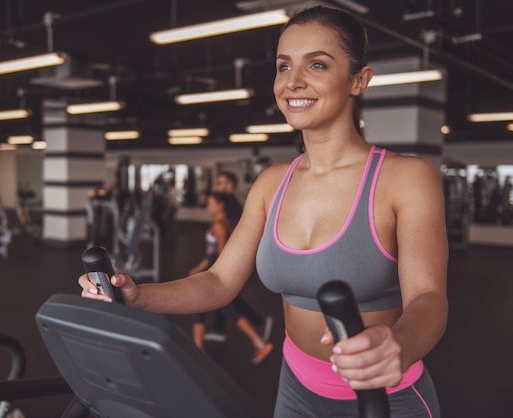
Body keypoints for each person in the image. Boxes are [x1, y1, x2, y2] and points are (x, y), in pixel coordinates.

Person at [80, 6, 448, 417]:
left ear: (358, 80)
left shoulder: (406, 178)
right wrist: (137, 296)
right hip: (296, 391)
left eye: (318, 64)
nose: (293, 82)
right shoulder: (272, 183)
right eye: (283, 65)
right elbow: (219, 281)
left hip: (385, 398)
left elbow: (428, 298)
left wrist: (398, 345)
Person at [188, 191, 273, 364]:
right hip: (210, 272)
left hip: (216, 275)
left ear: (220, 205)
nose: (208, 207)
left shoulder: (220, 225)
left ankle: (259, 343)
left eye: (211, 203)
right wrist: (197, 269)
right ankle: (198, 351)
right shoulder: (218, 223)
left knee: (225, 310)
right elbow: (209, 255)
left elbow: (221, 254)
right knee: (203, 308)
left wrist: (207, 275)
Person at [204, 170, 273, 344]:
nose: (217, 186)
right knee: (222, 297)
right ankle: (219, 329)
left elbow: (240, 233)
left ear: (231, 186)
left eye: (221, 183)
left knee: (228, 297)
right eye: (217, 183)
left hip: (236, 257)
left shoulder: (232, 206)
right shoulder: (225, 203)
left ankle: (259, 322)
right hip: (230, 255)